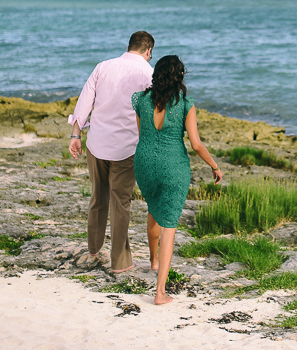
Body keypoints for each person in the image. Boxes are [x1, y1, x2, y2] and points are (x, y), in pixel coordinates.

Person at [132, 54, 222, 304]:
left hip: (145, 163)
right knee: (169, 225)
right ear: (179, 77)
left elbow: (143, 136)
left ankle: (153, 261)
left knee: (153, 209)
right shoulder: (185, 103)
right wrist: (214, 165)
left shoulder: (140, 100)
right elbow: (196, 144)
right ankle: (160, 292)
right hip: (174, 167)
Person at [68, 31, 155, 273]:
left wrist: (76, 135)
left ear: (128, 47)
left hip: (96, 144)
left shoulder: (103, 67)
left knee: (98, 196)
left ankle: (94, 250)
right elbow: (152, 112)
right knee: (121, 203)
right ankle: (120, 263)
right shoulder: (149, 74)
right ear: (148, 51)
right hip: (127, 149)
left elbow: (84, 101)